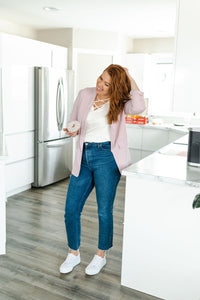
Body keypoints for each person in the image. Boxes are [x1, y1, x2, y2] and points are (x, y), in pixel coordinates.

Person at [60, 64, 145, 276]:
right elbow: (74, 120)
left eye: (107, 84)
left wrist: (128, 74)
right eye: (100, 79)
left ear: (114, 86)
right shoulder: (84, 94)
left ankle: (101, 255)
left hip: (107, 157)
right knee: (71, 209)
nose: (100, 85)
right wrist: (73, 129)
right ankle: (73, 253)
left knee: (103, 211)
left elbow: (139, 106)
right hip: (84, 156)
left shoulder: (121, 102)